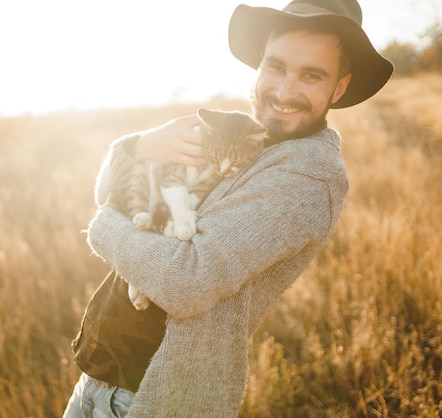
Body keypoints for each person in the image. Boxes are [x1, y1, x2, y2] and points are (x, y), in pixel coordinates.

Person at [63, 0, 393, 416]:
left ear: (339, 87)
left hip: (150, 400)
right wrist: (137, 148)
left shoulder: (308, 175)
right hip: (96, 382)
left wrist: (103, 229)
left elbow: (188, 280)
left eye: (311, 75)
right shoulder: (238, 134)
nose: (285, 91)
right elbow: (112, 190)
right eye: (276, 67)